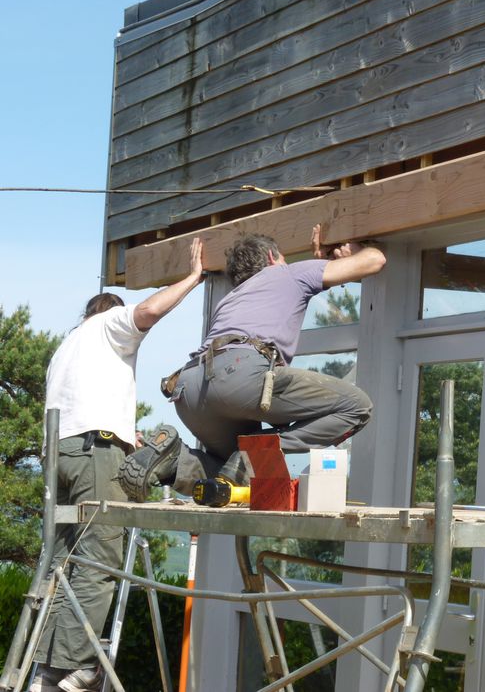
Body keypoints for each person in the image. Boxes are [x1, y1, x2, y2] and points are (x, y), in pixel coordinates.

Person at [30, 239, 205, 692]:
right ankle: (76, 668)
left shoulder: (68, 346)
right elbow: (146, 313)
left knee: (65, 561)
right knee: (99, 561)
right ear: (107, 312)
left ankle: (47, 667)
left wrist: (128, 437)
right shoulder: (109, 321)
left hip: (61, 456)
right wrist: (192, 278)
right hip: (93, 454)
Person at [118, 227, 386, 500]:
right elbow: (375, 260)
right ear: (272, 256)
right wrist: (353, 254)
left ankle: (174, 461)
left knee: (234, 475)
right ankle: (254, 451)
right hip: (239, 376)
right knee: (357, 406)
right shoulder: (288, 273)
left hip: (189, 388)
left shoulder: (233, 297)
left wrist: (327, 263)